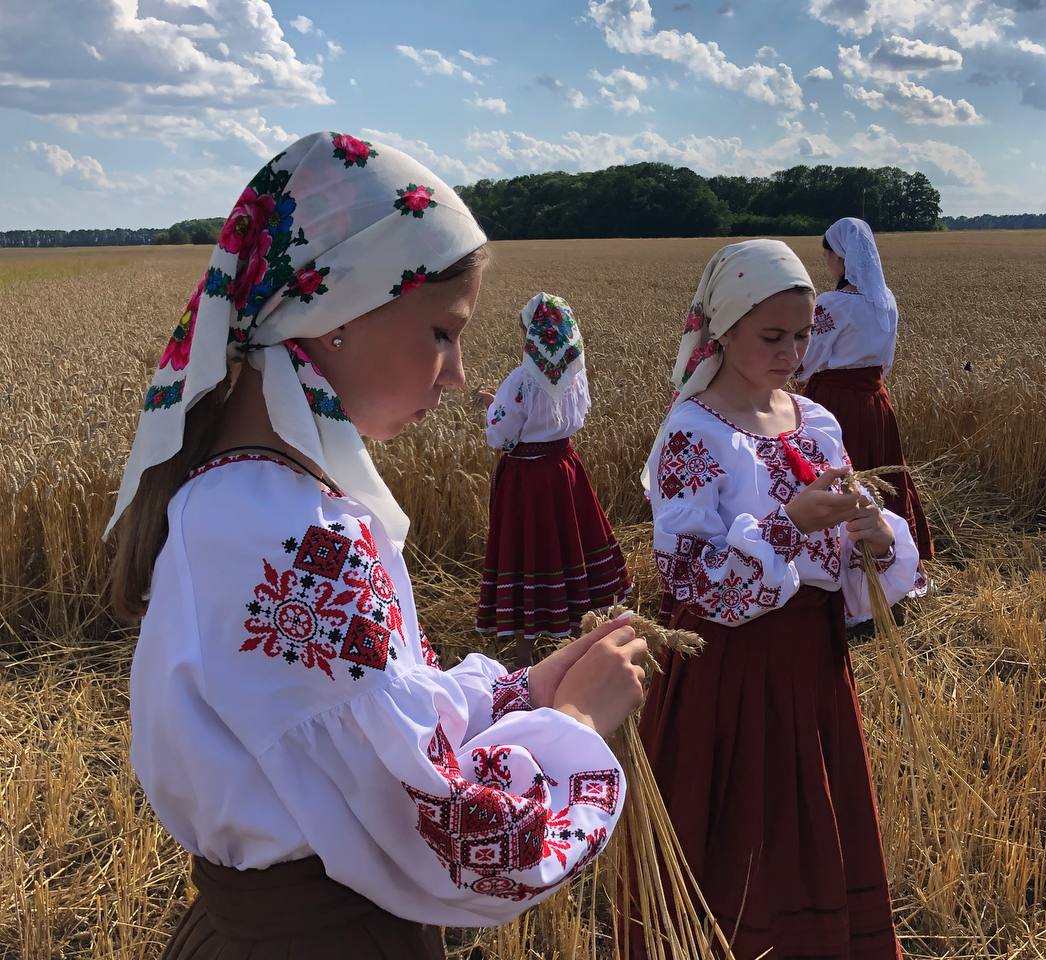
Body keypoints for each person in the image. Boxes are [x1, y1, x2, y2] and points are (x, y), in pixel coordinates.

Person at [105, 131, 646, 959]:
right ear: (334, 317)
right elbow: (451, 834)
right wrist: (575, 722)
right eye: (441, 332)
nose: (459, 371)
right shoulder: (302, 537)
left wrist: (525, 691)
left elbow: (371, 723)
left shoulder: (232, 498)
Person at [637, 238, 920, 958]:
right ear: (723, 328)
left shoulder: (817, 422)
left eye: (802, 335)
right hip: (729, 672)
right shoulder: (694, 434)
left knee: (812, 828)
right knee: (739, 841)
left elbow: (846, 559)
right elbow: (692, 582)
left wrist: (873, 539)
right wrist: (790, 523)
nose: (792, 352)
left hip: (813, 665)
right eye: (772, 336)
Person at [474, 293, 631, 664]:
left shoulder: (520, 380)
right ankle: (577, 634)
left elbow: (503, 435)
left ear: (531, 337)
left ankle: (525, 653)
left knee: (529, 551)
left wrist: (492, 406)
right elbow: (573, 418)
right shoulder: (576, 376)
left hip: (527, 477)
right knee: (568, 545)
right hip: (564, 470)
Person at [798, 217, 933, 576]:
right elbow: (885, 360)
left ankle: (841, 568)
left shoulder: (832, 303)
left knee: (838, 477)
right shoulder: (885, 300)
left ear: (840, 257)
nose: (826, 263)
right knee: (880, 475)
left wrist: (796, 379)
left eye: (827, 255)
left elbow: (809, 357)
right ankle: (892, 560)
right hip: (876, 401)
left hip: (834, 402)